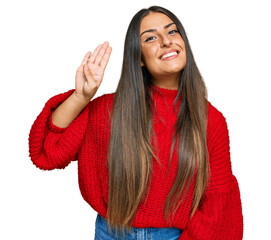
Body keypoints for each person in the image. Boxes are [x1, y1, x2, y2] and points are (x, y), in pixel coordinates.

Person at [28, 5, 243, 240]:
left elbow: (218, 208)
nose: (166, 41)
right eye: (151, 37)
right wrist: (81, 97)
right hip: (110, 233)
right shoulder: (107, 111)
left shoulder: (210, 121)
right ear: (138, 57)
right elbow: (47, 152)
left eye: (172, 32)